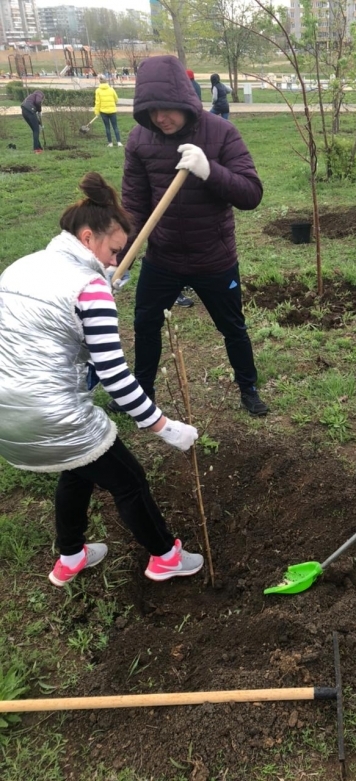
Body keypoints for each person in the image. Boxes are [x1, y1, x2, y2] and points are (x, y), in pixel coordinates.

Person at [0, 172, 204, 588]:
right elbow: (114, 375)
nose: (115, 262)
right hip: (50, 414)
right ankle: (165, 556)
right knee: (129, 481)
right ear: (88, 237)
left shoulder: (22, 267)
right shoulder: (90, 287)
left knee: (77, 466)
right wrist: (164, 427)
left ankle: (70, 556)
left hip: (7, 415)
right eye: (113, 251)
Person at [118, 55, 268, 416]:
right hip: (163, 257)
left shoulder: (221, 132)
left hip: (213, 257)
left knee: (232, 327)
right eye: (151, 110)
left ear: (183, 99)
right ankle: (143, 393)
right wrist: (120, 258)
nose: (159, 118)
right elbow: (134, 205)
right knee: (145, 324)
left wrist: (209, 170)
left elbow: (251, 194)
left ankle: (248, 388)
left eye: (166, 108)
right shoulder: (140, 139)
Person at [94, 76, 122, 147]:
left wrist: (97, 112)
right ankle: (119, 142)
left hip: (103, 112)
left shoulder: (98, 91)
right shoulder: (111, 89)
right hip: (112, 111)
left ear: (100, 82)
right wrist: (113, 104)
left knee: (107, 127)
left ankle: (110, 143)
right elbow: (116, 99)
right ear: (106, 81)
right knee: (115, 126)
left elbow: (97, 102)